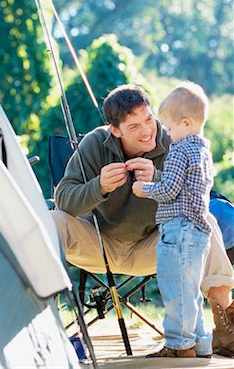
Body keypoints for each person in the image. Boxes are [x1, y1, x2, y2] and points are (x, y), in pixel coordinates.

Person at [51, 84, 234, 358]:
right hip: (99, 246)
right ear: (115, 130)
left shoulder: (175, 140)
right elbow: (63, 198)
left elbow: (197, 195)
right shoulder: (94, 144)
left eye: (148, 119)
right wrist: (98, 186)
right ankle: (45, 316)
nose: (147, 130)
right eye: (134, 126)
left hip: (156, 247)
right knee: (52, 219)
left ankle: (226, 328)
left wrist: (159, 179)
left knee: (203, 219)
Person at [132, 82, 213, 357]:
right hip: (199, 232)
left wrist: (144, 190)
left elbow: (169, 189)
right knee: (191, 291)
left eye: (169, 127)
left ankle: (179, 346)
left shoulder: (179, 150)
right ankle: (201, 344)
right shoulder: (203, 151)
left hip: (178, 229)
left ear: (186, 123)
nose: (167, 133)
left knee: (175, 289)